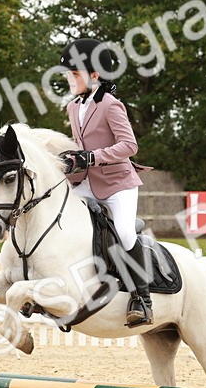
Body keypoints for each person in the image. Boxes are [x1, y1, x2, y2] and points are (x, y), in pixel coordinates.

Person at [59, 38, 154, 327]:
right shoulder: (73, 107)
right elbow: (81, 146)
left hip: (118, 185)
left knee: (125, 232)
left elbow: (129, 145)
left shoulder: (112, 105)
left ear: (94, 76)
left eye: (74, 74)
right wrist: (72, 162)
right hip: (86, 182)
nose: (68, 79)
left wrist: (92, 157)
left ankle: (142, 298)